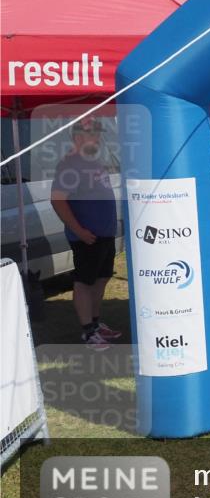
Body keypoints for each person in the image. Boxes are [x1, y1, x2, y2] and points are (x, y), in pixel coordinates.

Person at [51, 118, 123, 351]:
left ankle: (95, 322)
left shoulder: (93, 161)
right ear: (79, 137)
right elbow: (58, 200)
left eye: (99, 134)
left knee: (101, 279)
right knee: (84, 281)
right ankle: (88, 331)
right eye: (94, 134)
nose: (98, 138)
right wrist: (79, 231)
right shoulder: (69, 165)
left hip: (104, 234)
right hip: (86, 236)